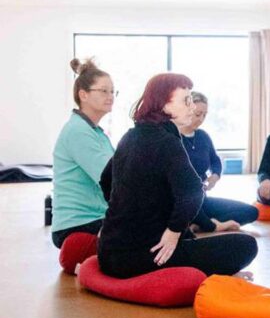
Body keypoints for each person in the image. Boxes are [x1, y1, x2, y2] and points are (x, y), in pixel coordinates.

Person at [98, 73, 257, 278]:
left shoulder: (130, 136)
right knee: (245, 245)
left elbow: (106, 181)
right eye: (186, 100)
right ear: (164, 105)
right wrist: (172, 233)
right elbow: (193, 194)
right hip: (142, 258)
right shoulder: (167, 142)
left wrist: (124, 216)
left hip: (108, 253)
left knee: (189, 237)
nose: (192, 107)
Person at [51, 58, 117, 248]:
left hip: (97, 218)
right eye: (104, 91)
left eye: (112, 91)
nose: (110, 96)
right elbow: (111, 177)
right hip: (77, 225)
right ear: (83, 95)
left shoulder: (95, 131)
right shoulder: (78, 131)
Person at [178, 91, 258, 233]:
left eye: (205, 115)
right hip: (186, 203)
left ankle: (202, 224)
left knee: (252, 212)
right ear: (187, 110)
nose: (201, 119)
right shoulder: (173, 139)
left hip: (204, 200)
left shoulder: (203, 136)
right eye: (198, 114)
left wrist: (215, 176)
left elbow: (215, 161)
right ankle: (208, 224)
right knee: (191, 210)